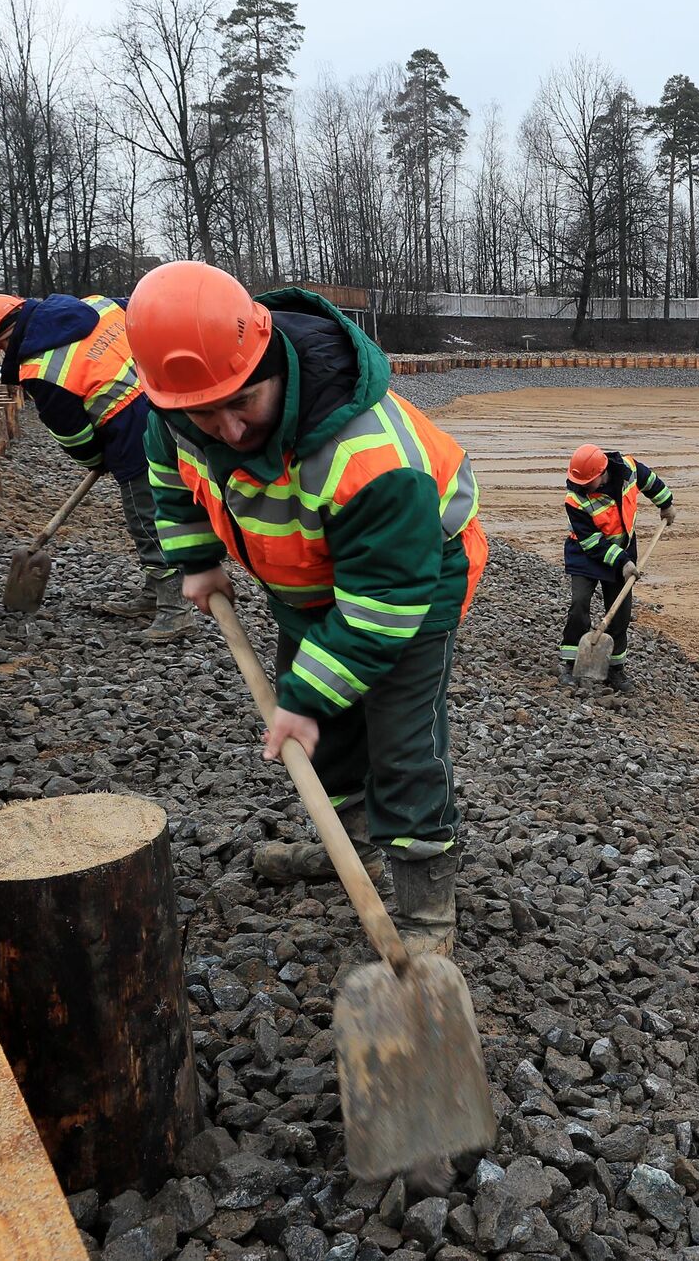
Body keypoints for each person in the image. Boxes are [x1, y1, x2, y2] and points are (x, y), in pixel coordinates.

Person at [125, 261, 487, 958]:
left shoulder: (372, 454)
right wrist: (196, 558)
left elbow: (382, 604)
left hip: (412, 584)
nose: (228, 431)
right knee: (332, 735)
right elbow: (168, 476)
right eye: (204, 413)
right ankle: (347, 846)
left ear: (271, 359)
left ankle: (426, 914)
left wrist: (304, 696)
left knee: (404, 745)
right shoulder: (178, 413)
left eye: (245, 404)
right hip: (304, 584)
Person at [0, 292, 196, 642]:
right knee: (158, 509)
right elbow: (142, 315)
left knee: (146, 519)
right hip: (173, 405)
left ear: (1, 340)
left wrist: (97, 459)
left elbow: (74, 435)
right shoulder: (98, 304)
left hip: (134, 434)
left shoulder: (41, 370)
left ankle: (175, 610)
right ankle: (154, 596)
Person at [558, 444, 674, 690]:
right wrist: (623, 562)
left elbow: (650, 481)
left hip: (623, 549)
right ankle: (570, 663)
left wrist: (666, 504)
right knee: (579, 603)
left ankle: (615, 669)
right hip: (585, 553)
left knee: (620, 612)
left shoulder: (628, 468)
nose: (583, 486)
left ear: (602, 472)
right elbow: (592, 542)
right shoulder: (575, 498)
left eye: (588, 482)